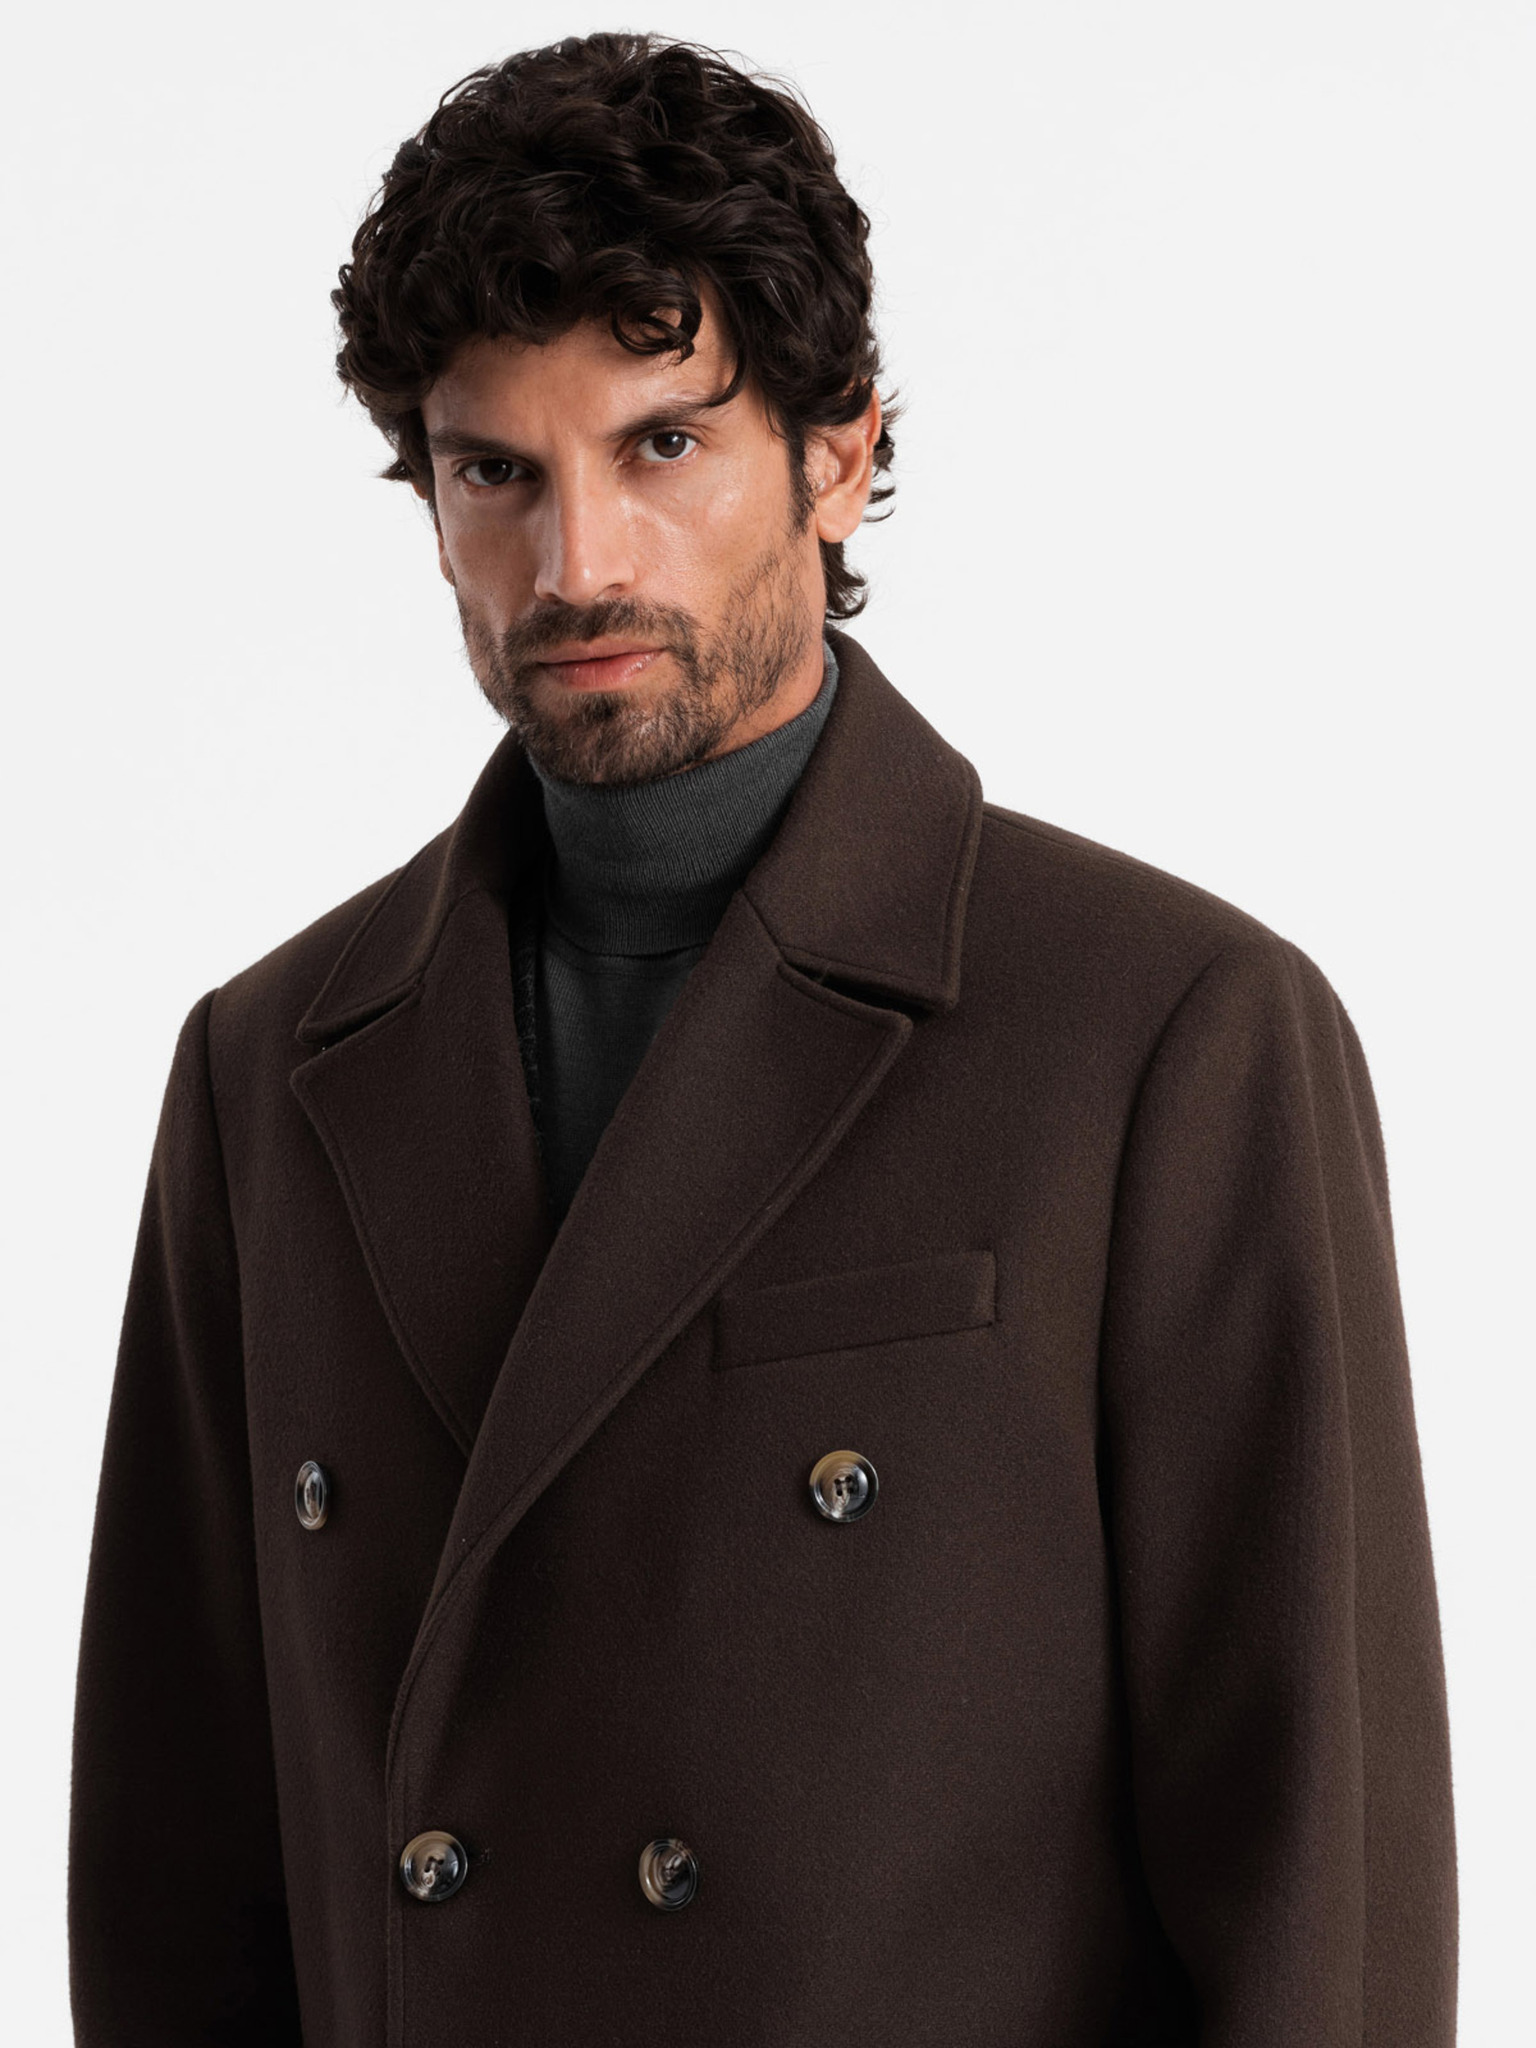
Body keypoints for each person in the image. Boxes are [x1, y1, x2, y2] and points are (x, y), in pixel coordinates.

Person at [66, 30, 1457, 2048]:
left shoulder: (1171, 1037)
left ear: (839, 454)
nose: (577, 565)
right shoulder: (266, 1070)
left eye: (661, 446)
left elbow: (1319, 1893)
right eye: (495, 472)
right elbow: (172, 1879)